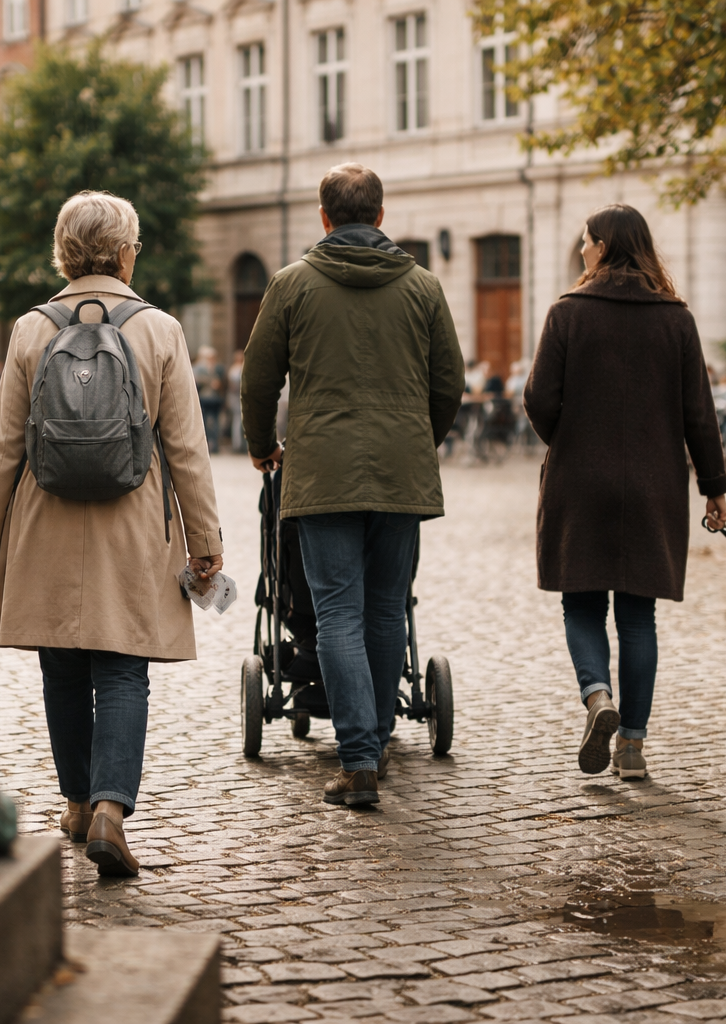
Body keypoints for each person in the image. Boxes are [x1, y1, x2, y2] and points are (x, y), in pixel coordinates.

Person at [0, 191, 223, 876]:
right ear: (126, 253)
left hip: (44, 519)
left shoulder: (30, 329)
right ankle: (112, 809)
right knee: (122, 667)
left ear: (64, 252)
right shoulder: (159, 330)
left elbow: (3, 447)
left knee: (61, 664)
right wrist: (205, 538)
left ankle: (77, 804)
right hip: (132, 522)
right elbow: (187, 449)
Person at [242, 162, 464, 807]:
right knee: (386, 607)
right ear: (381, 216)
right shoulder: (423, 286)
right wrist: (420, 440)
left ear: (324, 217)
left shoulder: (291, 285)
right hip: (400, 470)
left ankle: (359, 758)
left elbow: (258, 381)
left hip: (324, 472)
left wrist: (263, 448)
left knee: (336, 611)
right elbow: (448, 383)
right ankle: (380, 738)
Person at [523, 203, 726, 781]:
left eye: (588, 242)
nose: (584, 251)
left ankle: (598, 698)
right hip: (653, 485)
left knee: (581, 604)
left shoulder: (568, 312)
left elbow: (538, 399)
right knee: (639, 619)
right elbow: (699, 414)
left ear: (604, 246)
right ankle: (632, 747)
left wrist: (569, 440)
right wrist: (713, 486)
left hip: (580, 483)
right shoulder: (676, 318)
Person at [193, 346, 226, 452]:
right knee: (204, 421)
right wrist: (209, 382)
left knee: (216, 422)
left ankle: (215, 444)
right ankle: (206, 444)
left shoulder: (218, 367)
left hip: (215, 398)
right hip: (204, 398)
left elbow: (224, 381)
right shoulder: (199, 368)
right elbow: (196, 381)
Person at [227, 349, 246, 454]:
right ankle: (237, 444)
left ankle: (243, 444)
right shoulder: (234, 370)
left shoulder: (240, 368)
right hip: (236, 399)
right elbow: (233, 387)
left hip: (241, 399)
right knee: (237, 421)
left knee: (242, 422)